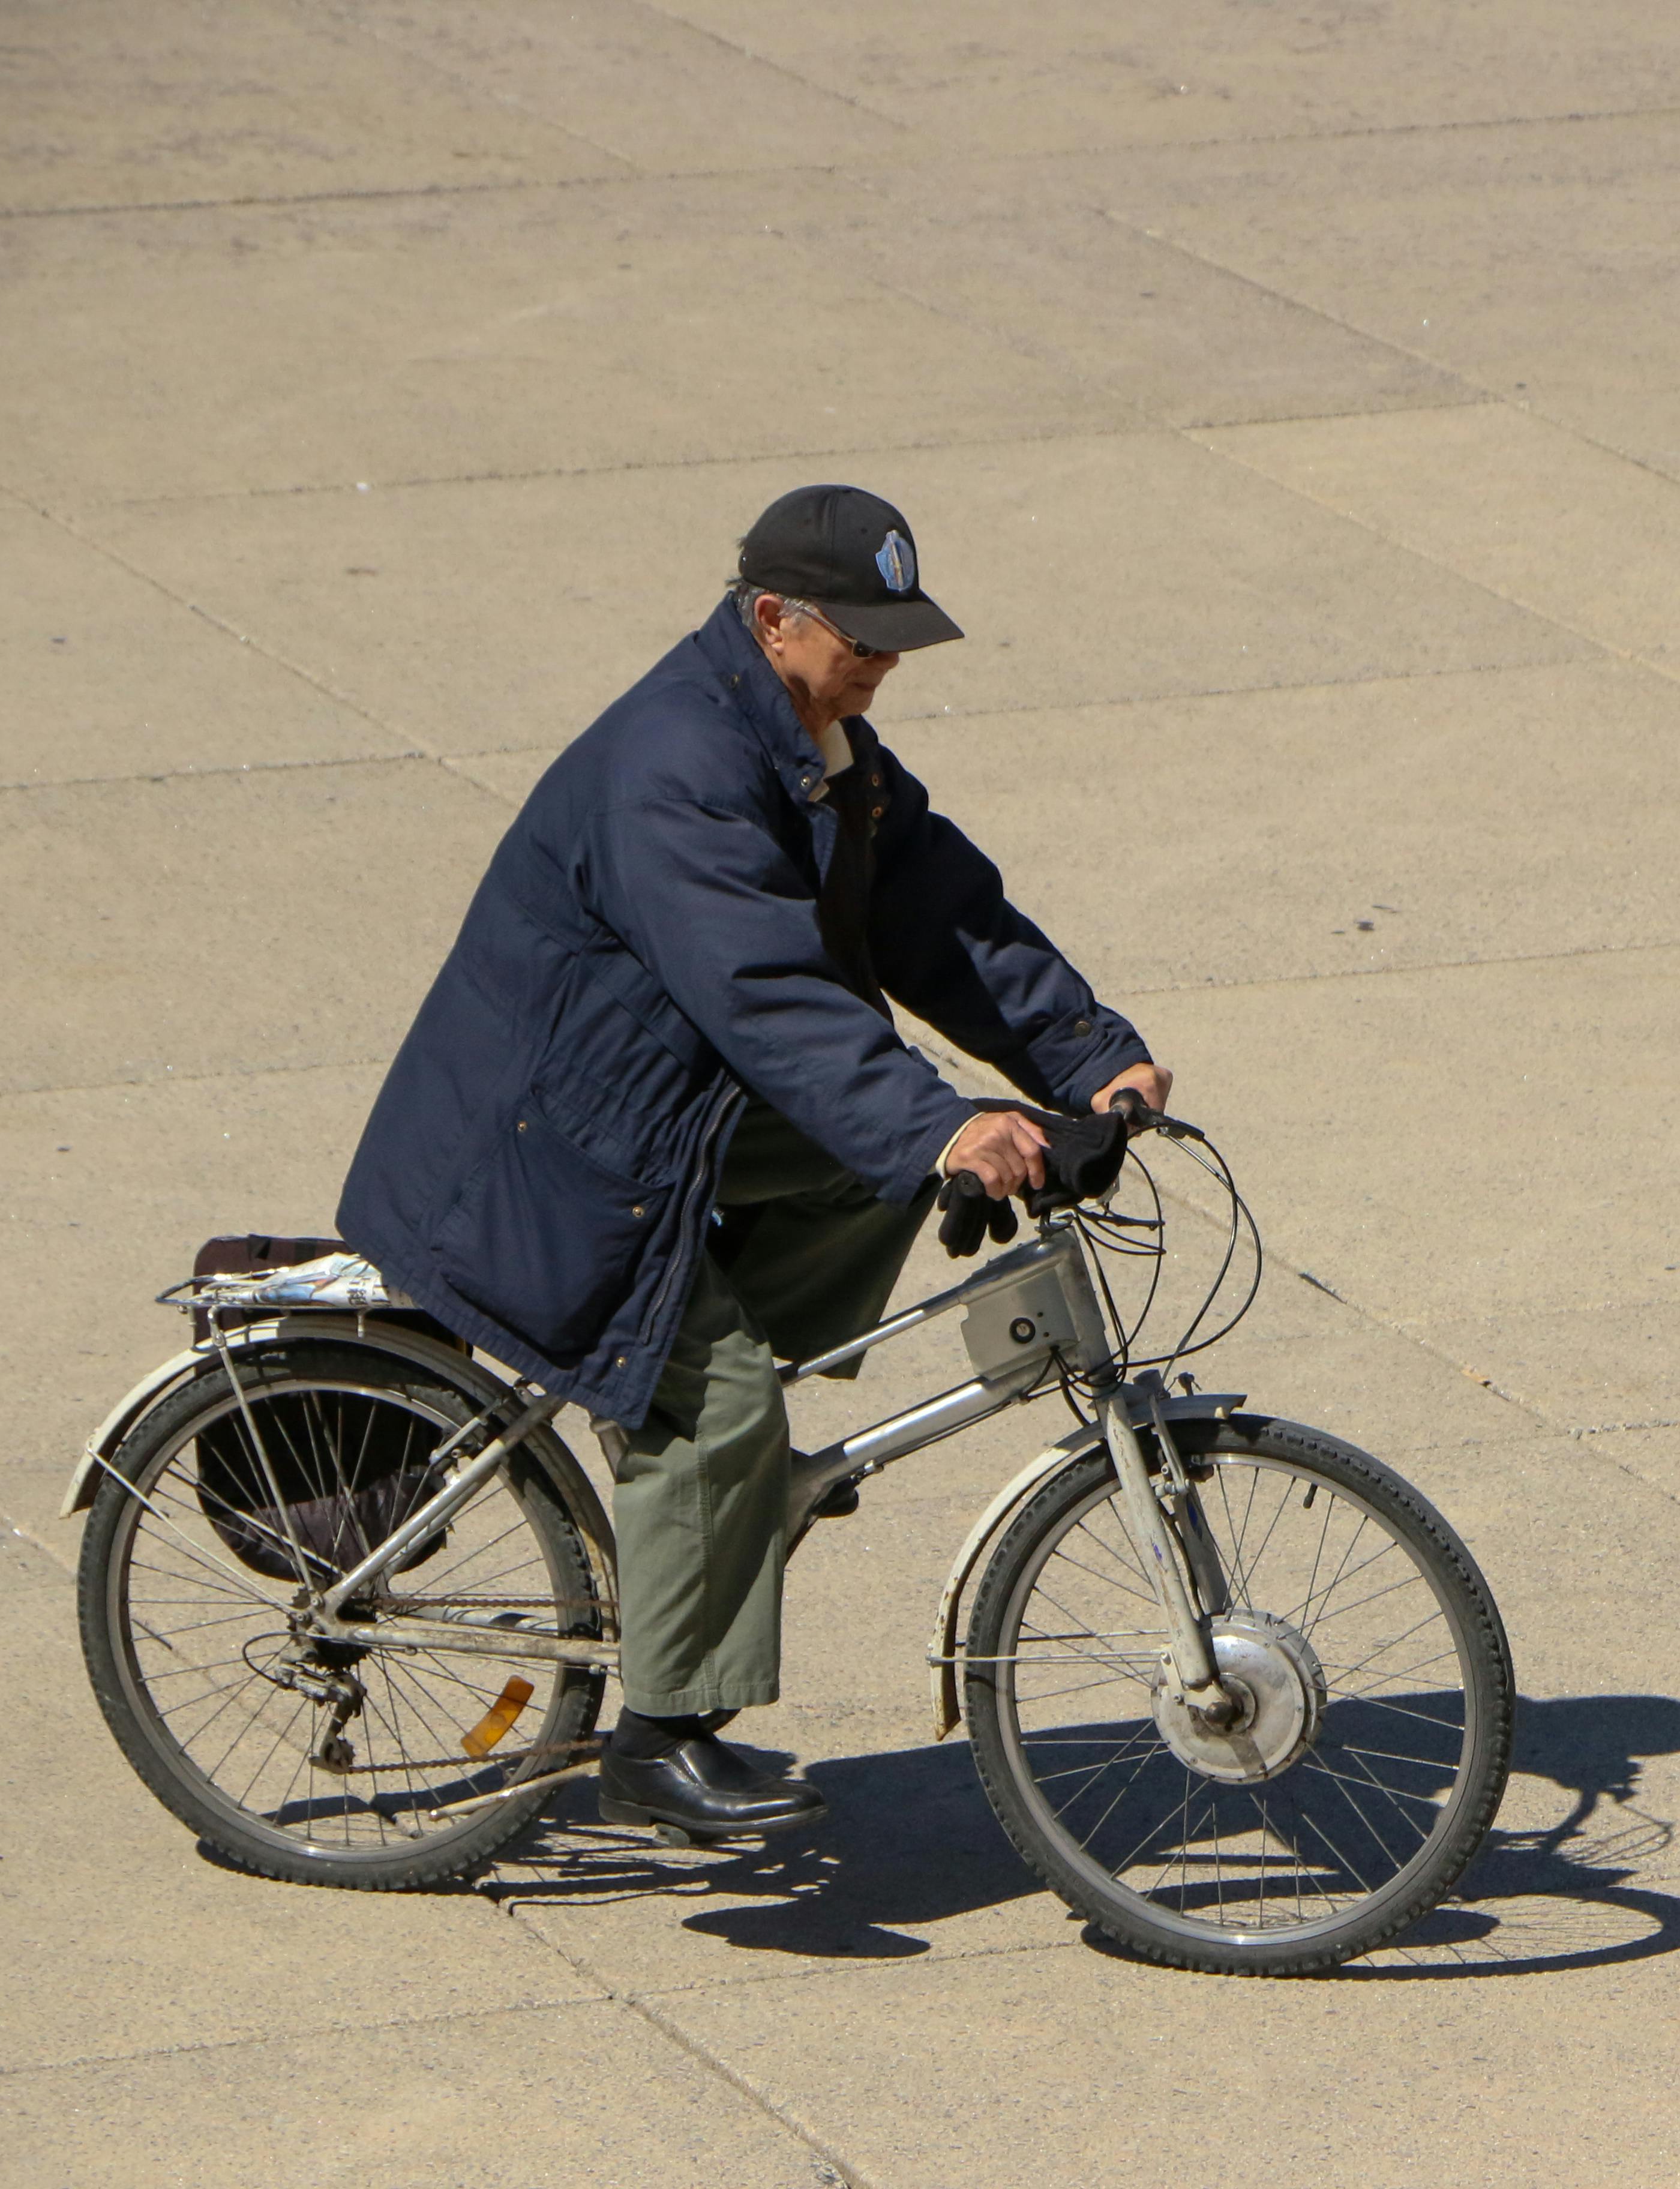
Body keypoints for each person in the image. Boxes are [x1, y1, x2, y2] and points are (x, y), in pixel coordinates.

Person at [339, 484, 1168, 1842]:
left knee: (874, 1167)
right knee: (720, 1402)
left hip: (658, 1114)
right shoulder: (678, 764)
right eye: (865, 636)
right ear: (774, 617)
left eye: (902, 637)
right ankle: (661, 1739)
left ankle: (695, 1446)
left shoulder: (815, 739)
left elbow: (939, 921)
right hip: (552, 1154)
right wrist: (943, 1127)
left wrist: (1088, 1061)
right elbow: (768, 993)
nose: (887, 663)